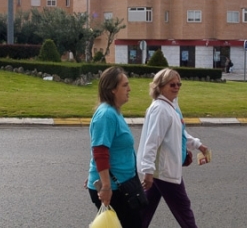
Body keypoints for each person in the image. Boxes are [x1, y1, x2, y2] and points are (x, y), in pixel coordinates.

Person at [137, 68, 209, 228]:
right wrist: (148, 171)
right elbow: (152, 142)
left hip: (161, 170)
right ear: (160, 86)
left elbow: (179, 134)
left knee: (145, 212)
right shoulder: (161, 109)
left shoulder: (170, 106)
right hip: (164, 171)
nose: (176, 87)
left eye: (179, 84)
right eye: (172, 84)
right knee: (185, 212)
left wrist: (197, 145)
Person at [86, 66, 142, 228]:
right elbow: (100, 151)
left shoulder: (114, 111)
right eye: (124, 85)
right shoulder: (106, 115)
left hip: (122, 184)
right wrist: (105, 185)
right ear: (112, 90)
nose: (129, 89)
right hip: (114, 189)